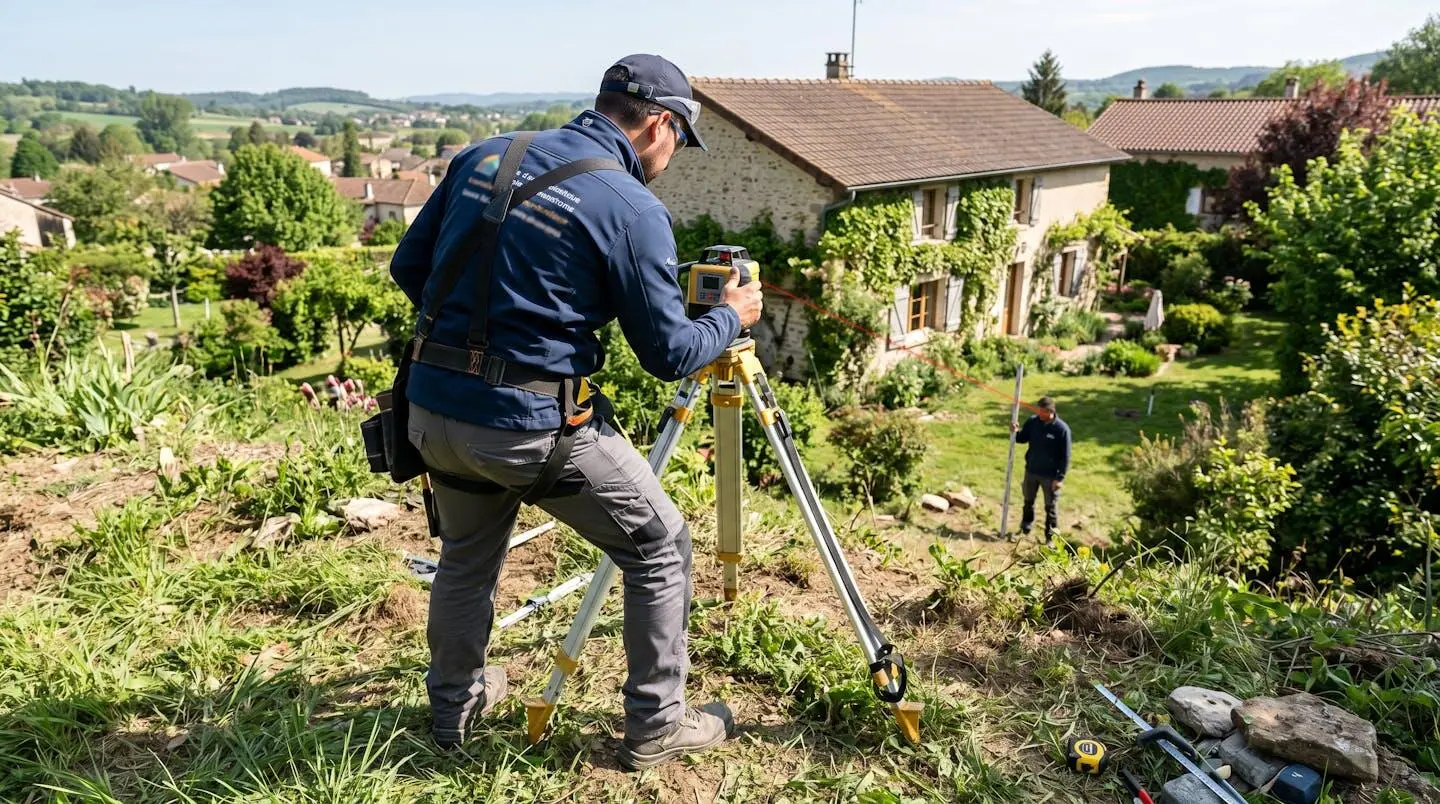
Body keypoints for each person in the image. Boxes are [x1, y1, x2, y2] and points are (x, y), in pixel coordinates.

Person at [387, 54, 764, 769]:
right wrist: (731, 316)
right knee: (659, 547)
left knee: (466, 561)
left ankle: (454, 712)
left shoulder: (483, 157)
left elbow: (410, 269)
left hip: (431, 413)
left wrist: (480, 348)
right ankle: (657, 726)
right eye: (680, 141)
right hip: (529, 430)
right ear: (659, 124)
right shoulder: (630, 207)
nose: (673, 158)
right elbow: (667, 352)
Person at [1010, 396, 1071, 541]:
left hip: (1050, 476)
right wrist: (1015, 432)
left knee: (1050, 508)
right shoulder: (1033, 422)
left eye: (1042, 411)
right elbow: (1021, 438)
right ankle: (1025, 528)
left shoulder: (1061, 430)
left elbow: (1065, 456)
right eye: (1038, 410)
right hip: (1031, 471)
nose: (1039, 414)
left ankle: (1050, 539)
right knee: (1028, 502)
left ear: (1050, 411)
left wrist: (1059, 478)